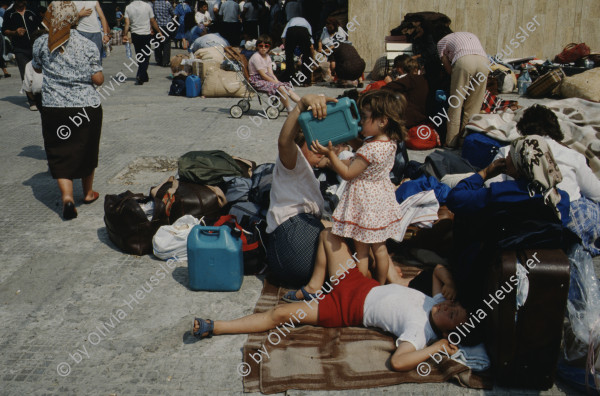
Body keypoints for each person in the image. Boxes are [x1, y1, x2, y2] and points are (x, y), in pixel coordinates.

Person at [191, 226, 473, 373]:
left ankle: (214, 326)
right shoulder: (433, 302)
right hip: (358, 283)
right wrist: (448, 283)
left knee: (280, 314)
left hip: (346, 308)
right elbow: (438, 270)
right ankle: (315, 284)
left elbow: (399, 363)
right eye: (453, 305)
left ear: (448, 331)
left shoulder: (421, 333)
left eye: (451, 314)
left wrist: (436, 349)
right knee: (329, 235)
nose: (446, 306)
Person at [446, 135, 571, 304]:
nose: (506, 159)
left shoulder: (504, 193)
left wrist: (485, 173)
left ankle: (456, 277)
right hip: (539, 262)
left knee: (465, 217)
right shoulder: (561, 199)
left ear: (520, 164)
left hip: (495, 261)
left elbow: (456, 199)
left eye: (511, 156)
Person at [306, 90, 406, 286]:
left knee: (362, 252)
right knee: (380, 247)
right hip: (380, 199)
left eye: (365, 117)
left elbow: (347, 173)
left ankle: (361, 287)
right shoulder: (389, 143)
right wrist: (350, 136)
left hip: (364, 201)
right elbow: (361, 145)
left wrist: (330, 154)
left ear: (382, 121)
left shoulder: (370, 149)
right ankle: (381, 283)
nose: (360, 121)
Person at [487, 105, 600, 256]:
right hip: (564, 224)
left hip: (522, 220)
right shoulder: (571, 155)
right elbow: (596, 193)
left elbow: (490, 188)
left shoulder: (507, 152)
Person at [32, 1, 104, 220]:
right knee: (86, 150)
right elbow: (98, 80)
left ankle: (67, 198)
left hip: (54, 108)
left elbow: (36, 67)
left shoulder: (42, 43)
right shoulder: (87, 44)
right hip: (86, 107)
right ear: (74, 18)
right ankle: (89, 194)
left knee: (60, 151)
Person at [437, 32, 488, 148]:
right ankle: (465, 141)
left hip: (464, 61)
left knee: (456, 103)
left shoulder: (441, 43)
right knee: (474, 105)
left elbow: (448, 68)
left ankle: (451, 141)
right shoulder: (470, 35)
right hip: (484, 62)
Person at [2, 0, 42, 106]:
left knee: (39, 73)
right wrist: (14, 32)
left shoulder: (32, 10)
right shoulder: (9, 13)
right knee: (25, 75)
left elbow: (42, 25)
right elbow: (4, 30)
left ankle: (41, 97)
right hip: (20, 49)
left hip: (36, 48)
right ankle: (32, 101)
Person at [248, 34, 300, 112]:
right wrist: (276, 83)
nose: (263, 48)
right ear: (257, 46)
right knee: (281, 88)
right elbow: (262, 75)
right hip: (257, 80)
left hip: (266, 78)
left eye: (266, 46)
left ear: (269, 47)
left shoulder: (268, 57)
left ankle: (303, 103)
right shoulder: (256, 57)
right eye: (260, 46)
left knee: (286, 88)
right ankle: (289, 108)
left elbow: (271, 73)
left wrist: (277, 82)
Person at [382, 57, 428, 129]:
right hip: (424, 120)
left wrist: (390, 82)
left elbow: (387, 88)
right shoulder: (422, 80)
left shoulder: (412, 79)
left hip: (411, 121)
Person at [123, 0, 161, 85]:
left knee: (139, 55)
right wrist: (158, 31)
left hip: (135, 34)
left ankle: (144, 75)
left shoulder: (128, 7)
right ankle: (140, 75)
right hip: (145, 34)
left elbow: (127, 23)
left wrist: (124, 35)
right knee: (146, 56)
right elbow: (152, 21)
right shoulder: (147, 6)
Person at [281, 16, 313, 84]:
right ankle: (306, 81)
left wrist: (287, 49)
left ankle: (290, 79)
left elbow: (283, 36)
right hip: (303, 31)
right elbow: (310, 39)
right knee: (306, 56)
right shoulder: (306, 22)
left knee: (289, 57)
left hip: (291, 31)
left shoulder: (290, 21)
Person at [152, 0, 175, 67]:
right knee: (166, 44)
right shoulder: (167, 4)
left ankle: (159, 60)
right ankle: (165, 61)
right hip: (167, 26)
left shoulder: (154, 4)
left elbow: (152, 16)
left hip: (157, 26)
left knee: (157, 43)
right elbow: (173, 13)